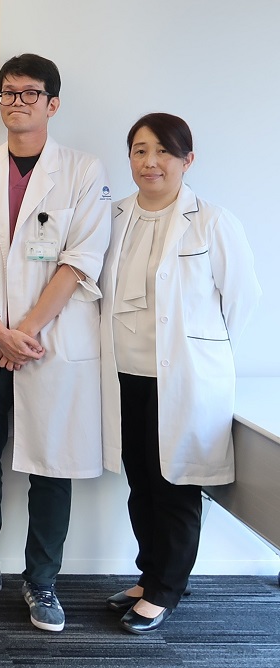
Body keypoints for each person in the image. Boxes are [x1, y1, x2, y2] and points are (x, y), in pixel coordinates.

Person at [0, 54, 111, 633]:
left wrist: (24, 330)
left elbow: (81, 259)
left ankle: (43, 582)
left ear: (52, 104)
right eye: (7, 93)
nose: (17, 102)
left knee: (50, 462)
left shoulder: (83, 171)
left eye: (30, 94)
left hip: (46, 341)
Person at [99, 113, 260, 634]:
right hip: (125, 373)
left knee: (176, 483)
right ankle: (150, 576)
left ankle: (168, 587)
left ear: (187, 160)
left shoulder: (211, 220)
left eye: (164, 152)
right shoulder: (115, 215)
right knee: (140, 480)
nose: (151, 162)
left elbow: (242, 300)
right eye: (140, 151)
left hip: (184, 379)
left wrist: (201, 351)